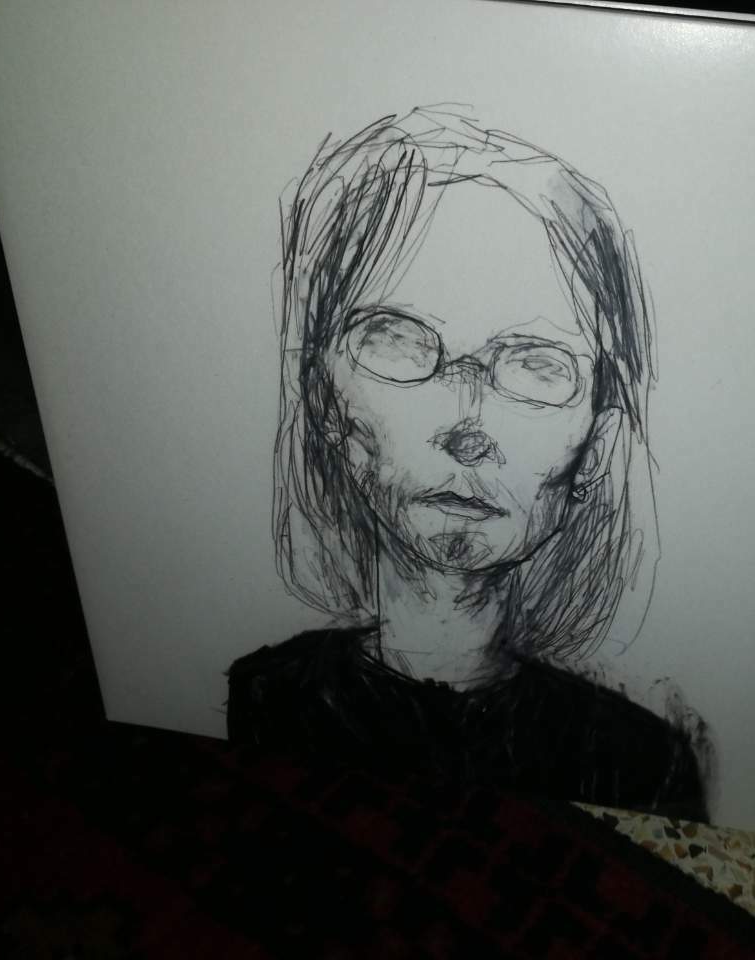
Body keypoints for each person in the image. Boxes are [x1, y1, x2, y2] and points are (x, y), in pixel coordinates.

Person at [227, 107, 709, 819]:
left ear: (597, 446)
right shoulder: (261, 695)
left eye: (535, 365)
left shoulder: (642, 761)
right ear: (325, 401)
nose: (468, 431)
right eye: (399, 341)